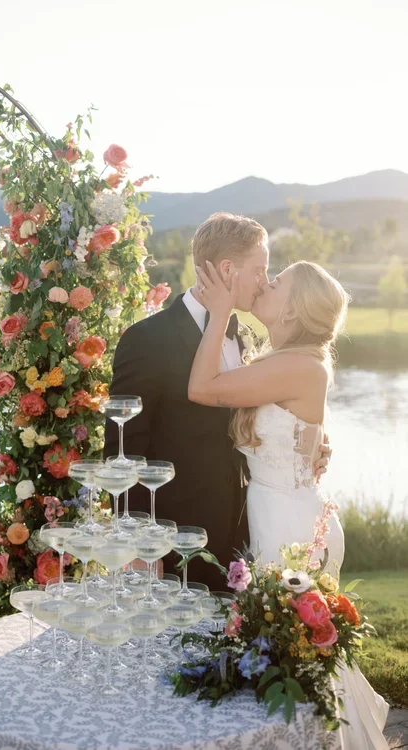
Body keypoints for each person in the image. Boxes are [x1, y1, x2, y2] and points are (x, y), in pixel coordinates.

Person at [188, 258, 389, 749]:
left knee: (296, 658)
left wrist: (216, 313)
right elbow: (293, 427)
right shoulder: (291, 361)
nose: (265, 282)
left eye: (276, 283)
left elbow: (201, 389)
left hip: (290, 524)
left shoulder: (298, 364)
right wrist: (319, 440)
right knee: (297, 655)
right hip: (282, 509)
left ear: (294, 311)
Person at [104, 213, 330, 589]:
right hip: (174, 538)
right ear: (228, 269)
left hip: (245, 531)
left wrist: (308, 444)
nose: (262, 283)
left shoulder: (242, 335)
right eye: (260, 270)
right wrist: (140, 546)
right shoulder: (148, 339)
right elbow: (122, 449)